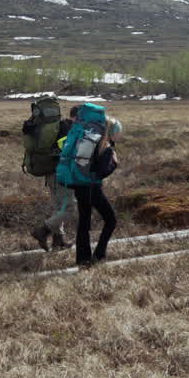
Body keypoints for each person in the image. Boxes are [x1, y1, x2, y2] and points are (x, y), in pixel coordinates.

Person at [58, 105, 122, 268]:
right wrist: (114, 164)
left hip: (80, 185)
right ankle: (99, 254)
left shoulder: (89, 140)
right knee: (111, 220)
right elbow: (100, 172)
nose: (119, 135)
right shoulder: (105, 148)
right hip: (92, 187)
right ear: (112, 132)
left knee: (84, 221)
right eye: (118, 132)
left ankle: (83, 259)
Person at [30, 106, 78, 252]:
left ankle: (59, 241)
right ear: (77, 117)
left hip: (50, 173)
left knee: (60, 207)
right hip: (61, 175)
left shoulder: (58, 127)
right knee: (69, 208)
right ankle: (42, 230)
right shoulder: (69, 129)